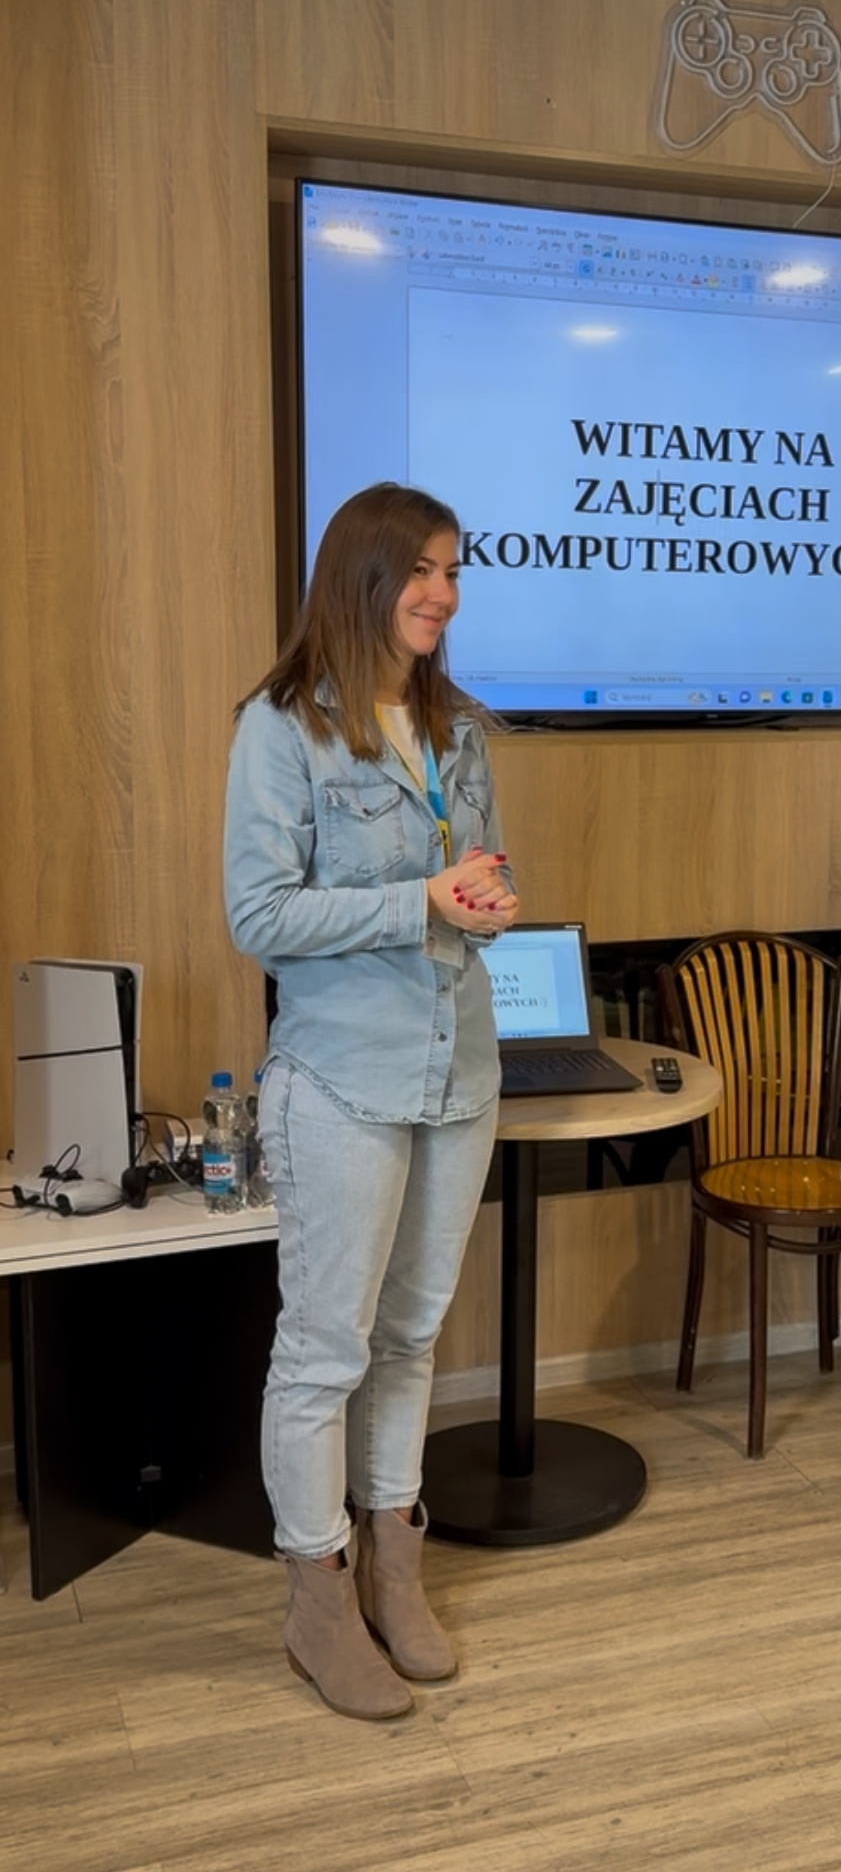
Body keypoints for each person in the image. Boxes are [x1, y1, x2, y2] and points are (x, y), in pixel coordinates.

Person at [224, 483, 518, 1719]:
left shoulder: (459, 729)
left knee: (409, 1338)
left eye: (453, 571)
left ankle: (398, 1567)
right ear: (363, 576)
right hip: (342, 1077)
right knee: (324, 1352)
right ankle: (317, 1597)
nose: (442, 594)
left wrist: (485, 898)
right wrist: (420, 903)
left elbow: (477, 871)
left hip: (460, 1071)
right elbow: (259, 914)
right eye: (422, 571)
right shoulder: (282, 725)